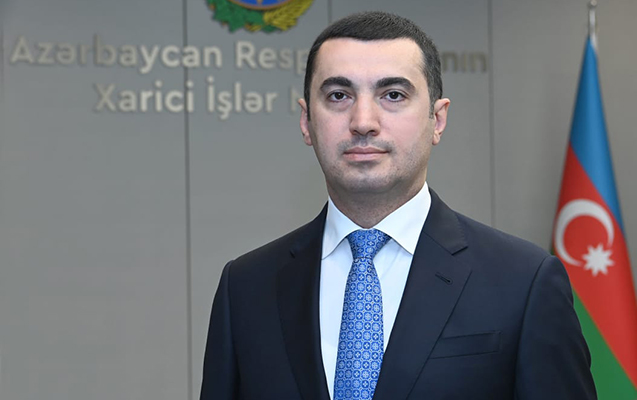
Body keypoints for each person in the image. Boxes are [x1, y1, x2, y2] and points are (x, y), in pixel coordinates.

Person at [200, 11, 596, 400]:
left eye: (393, 95)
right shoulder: (247, 287)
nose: (363, 121)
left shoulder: (523, 282)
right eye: (339, 96)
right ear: (307, 121)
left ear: (437, 119)